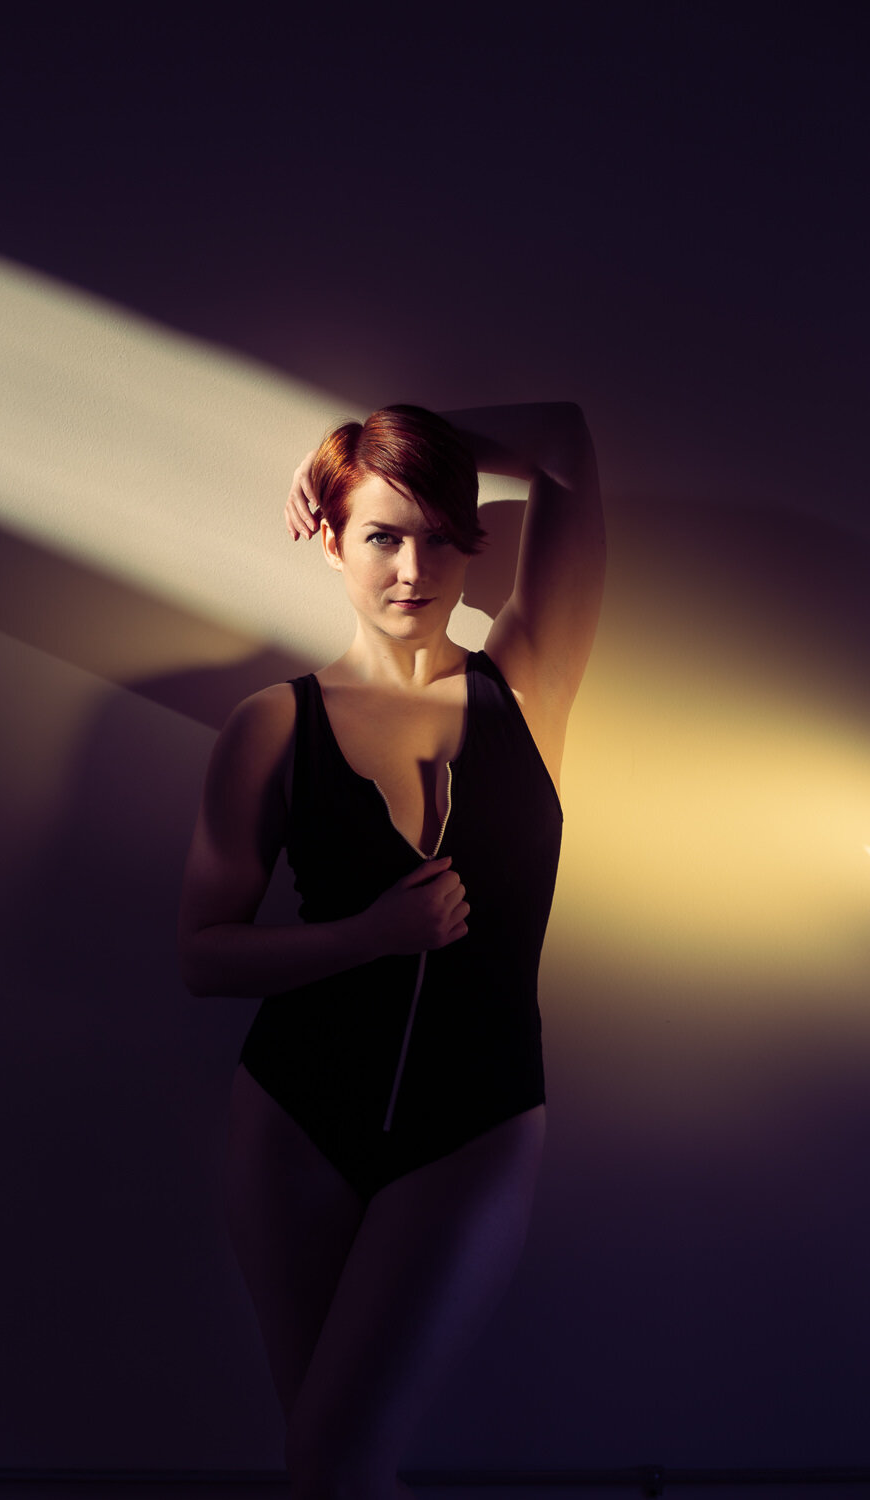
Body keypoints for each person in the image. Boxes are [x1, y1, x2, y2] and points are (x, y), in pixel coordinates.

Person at [178, 402, 605, 1499]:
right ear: (331, 539)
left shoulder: (527, 683)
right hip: (291, 1121)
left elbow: (562, 439)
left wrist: (356, 439)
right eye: (379, 533)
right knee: (331, 1458)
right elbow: (204, 954)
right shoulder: (272, 724)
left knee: (336, 1455)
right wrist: (368, 936)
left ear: (468, 539)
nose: (413, 568)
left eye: (435, 535)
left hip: (476, 1122)